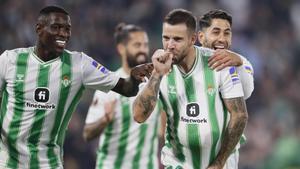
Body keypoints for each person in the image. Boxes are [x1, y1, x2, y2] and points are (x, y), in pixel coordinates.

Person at [0, 6, 152, 169]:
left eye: (67, 29)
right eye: (56, 27)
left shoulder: (79, 64)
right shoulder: (10, 60)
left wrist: (134, 78)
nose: (63, 34)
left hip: (48, 164)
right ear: (39, 28)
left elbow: (127, 89)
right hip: (7, 163)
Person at [133, 9, 249, 169]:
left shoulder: (219, 62)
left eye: (177, 39)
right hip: (177, 164)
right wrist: (157, 75)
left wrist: (219, 162)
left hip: (218, 163)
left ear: (192, 39)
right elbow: (139, 116)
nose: (170, 45)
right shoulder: (157, 68)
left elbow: (240, 115)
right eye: (166, 38)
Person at [82, 23, 162, 169]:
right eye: (137, 45)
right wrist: (105, 120)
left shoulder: (156, 84)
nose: (143, 50)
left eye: (145, 45)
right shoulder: (111, 85)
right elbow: (87, 134)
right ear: (121, 48)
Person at [197, 9, 254, 99]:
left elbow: (246, 94)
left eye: (226, 33)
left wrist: (239, 65)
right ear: (201, 37)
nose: (222, 39)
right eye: (216, 32)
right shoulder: (188, 59)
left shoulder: (241, 62)